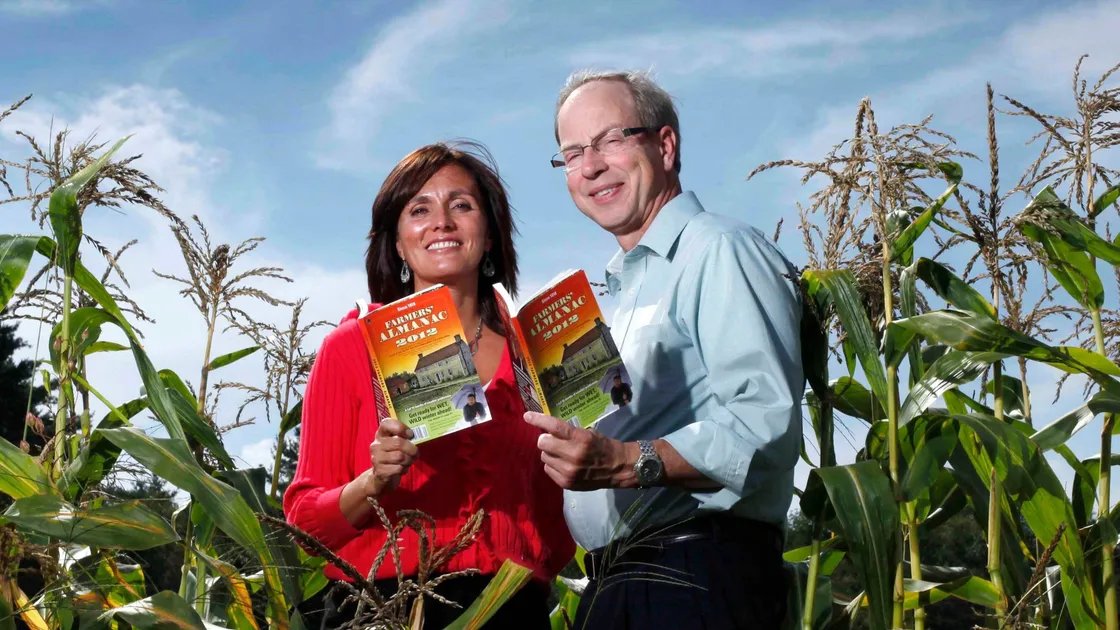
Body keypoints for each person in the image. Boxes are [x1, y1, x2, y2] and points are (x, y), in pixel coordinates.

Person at [525, 70, 804, 628]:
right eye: (573, 153)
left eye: (609, 140)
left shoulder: (718, 251)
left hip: (698, 572)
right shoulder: (618, 292)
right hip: (617, 582)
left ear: (665, 145)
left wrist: (626, 461)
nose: (591, 166)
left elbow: (763, 426)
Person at [285, 142, 574, 629]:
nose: (442, 221)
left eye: (461, 205)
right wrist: (374, 482)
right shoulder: (350, 348)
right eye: (420, 209)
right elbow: (305, 523)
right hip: (385, 609)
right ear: (398, 242)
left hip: (513, 610)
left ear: (489, 234)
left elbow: (563, 521)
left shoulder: (539, 352)